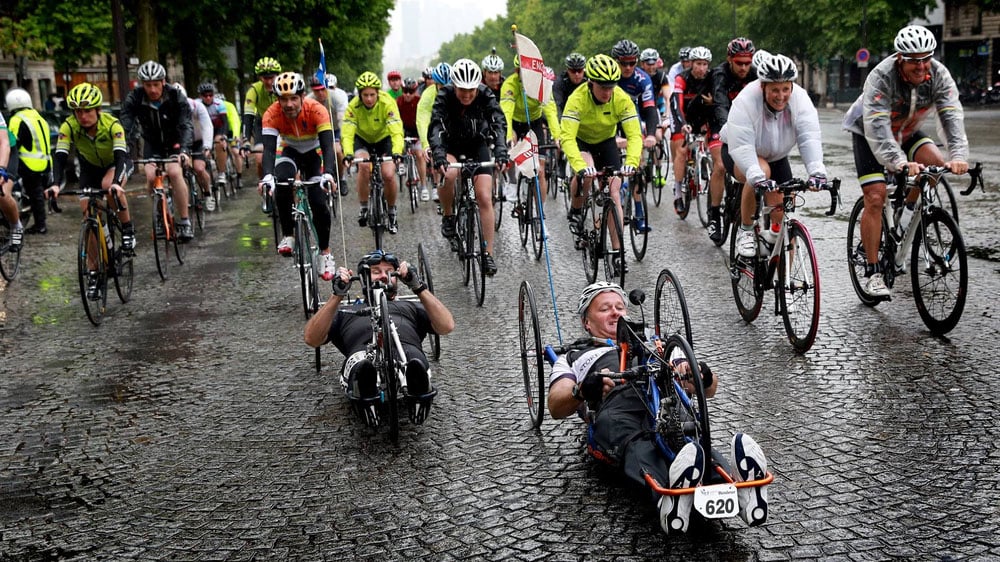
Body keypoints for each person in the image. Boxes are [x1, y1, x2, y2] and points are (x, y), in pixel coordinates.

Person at [547, 282, 768, 534]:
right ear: (587, 322)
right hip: (617, 408)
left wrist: (701, 376)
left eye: (620, 307)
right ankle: (670, 496)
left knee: (693, 440)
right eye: (605, 309)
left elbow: (709, 389)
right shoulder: (575, 356)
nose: (616, 313)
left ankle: (740, 491)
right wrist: (583, 389)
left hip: (666, 400)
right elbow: (556, 403)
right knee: (638, 442)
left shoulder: (658, 346)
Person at [842, 24, 969, 298]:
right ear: (900, 58)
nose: (922, 66)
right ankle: (874, 272)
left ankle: (907, 213)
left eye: (927, 58)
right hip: (868, 132)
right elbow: (877, 129)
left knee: (934, 167)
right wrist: (899, 162)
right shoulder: (881, 77)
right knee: (875, 197)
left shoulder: (938, 74)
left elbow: (951, 117)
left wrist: (957, 156)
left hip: (907, 130)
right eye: (915, 61)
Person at [304, 249, 455, 427]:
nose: (383, 276)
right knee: (362, 364)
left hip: (405, 351)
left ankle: (419, 392)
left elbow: (446, 326)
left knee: (413, 359)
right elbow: (312, 339)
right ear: (362, 278)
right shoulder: (346, 312)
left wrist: (419, 287)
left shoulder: (408, 306)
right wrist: (337, 296)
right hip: (363, 352)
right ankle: (364, 393)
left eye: (389, 272)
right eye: (376, 272)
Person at [720, 54, 828, 259]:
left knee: (784, 211)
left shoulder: (800, 99)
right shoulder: (746, 100)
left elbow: (808, 137)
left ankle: (786, 284)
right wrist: (755, 175)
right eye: (774, 90)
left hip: (777, 156)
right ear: (763, 87)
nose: (781, 96)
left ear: (792, 87)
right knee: (760, 171)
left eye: (785, 89)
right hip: (739, 151)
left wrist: (816, 170)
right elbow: (742, 146)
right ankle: (745, 229)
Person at [46, 83, 135, 298]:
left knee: (109, 188)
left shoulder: (112, 125)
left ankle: (127, 229)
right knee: (88, 214)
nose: (82, 116)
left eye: (87, 111)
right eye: (78, 112)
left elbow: (121, 156)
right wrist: (55, 184)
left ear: (97, 110)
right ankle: (94, 271)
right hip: (89, 168)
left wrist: (116, 182)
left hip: (116, 164)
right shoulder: (69, 126)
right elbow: (59, 157)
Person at [560, 54, 641, 276]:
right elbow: (566, 137)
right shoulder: (577, 99)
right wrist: (579, 165)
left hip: (606, 141)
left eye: (611, 87)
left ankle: (617, 252)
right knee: (586, 174)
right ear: (590, 83)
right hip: (581, 141)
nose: (607, 92)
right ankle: (576, 209)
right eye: (602, 87)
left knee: (614, 191)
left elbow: (634, 136)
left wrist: (631, 162)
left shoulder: (621, 98)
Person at [428, 58, 509, 276]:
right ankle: (448, 215)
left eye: (471, 91)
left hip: (477, 144)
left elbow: (498, 122)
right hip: (451, 145)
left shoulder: (485, 94)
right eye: (462, 90)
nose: (466, 95)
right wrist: (438, 154)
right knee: (451, 172)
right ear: (454, 86)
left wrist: (501, 150)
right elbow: (436, 126)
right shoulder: (444, 96)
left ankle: (488, 255)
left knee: (483, 196)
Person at [257, 72, 338, 280]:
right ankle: (289, 235)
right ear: (277, 100)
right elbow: (267, 150)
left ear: (303, 96)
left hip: (313, 152)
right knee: (282, 182)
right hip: (290, 150)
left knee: (318, 202)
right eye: (283, 99)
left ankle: (325, 253)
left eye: (293, 98)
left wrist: (328, 174)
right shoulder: (271, 114)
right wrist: (267, 176)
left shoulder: (317, 110)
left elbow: (328, 147)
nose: (289, 104)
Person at [119, 60, 195, 241]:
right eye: (147, 85)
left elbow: (186, 125)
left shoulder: (176, 96)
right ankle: (159, 214)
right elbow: (126, 126)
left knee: (175, 172)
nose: (152, 89)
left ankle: (184, 221)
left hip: (174, 142)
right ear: (141, 85)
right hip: (152, 144)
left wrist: (184, 150)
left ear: (163, 82)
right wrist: (124, 149)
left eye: (156, 84)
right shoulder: (135, 98)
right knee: (151, 176)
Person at [706, 37, 757, 244]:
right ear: (729, 59)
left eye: (748, 62)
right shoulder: (720, 74)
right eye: (739, 63)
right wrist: (730, 129)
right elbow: (719, 103)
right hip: (721, 123)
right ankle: (714, 214)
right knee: (719, 165)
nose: (744, 67)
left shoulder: (755, 74)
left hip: (746, 126)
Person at [342, 71, 404, 234]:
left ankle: (391, 211)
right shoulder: (353, 106)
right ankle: (363, 207)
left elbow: (396, 130)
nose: (369, 99)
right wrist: (348, 153)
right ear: (360, 95)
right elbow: (347, 133)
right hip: (362, 139)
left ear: (378, 93)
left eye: (372, 95)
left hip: (384, 139)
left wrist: (397, 152)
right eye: (365, 95)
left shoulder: (387, 102)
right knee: (363, 166)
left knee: (389, 174)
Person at [500, 53, 561, 200]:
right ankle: (513, 182)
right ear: (517, 71)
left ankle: (540, 215)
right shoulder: (510, 84)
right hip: (514, 122)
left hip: (534, 122)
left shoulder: (542, 84)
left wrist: (558, 136)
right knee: (511, 143)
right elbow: (506, 113)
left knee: (539, 171)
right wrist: (508, 137)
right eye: (523, 71)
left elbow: (551, 111)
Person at [668, 46, 716, 216]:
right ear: (691, 64)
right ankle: (678, 192)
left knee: (716, 142)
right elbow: (676, 104)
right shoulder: (682, 78)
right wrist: (682, 123)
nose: (701, 68)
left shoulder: (712, 78)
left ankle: (705, 165)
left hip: (702, 118)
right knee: (681, 150)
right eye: (698, 64)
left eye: (704, 64)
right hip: (683, 117)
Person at [5, 88, 52, 235]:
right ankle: (39, 222)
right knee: (36, 194)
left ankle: (40, 225)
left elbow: (11, 143)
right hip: (44, 162)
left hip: (28, 162)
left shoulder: (17, 119)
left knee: (33, 193)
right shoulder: (38, 116)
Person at [177, 82, 216, 213]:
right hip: (181, 143)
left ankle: (207, 193)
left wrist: (207, 146)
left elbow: (207, 126)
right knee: (178, 171)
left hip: (198, 141)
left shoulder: (196, 106)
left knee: (199, 168)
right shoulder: (169, 108)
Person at [416, 63, 451, 203]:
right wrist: (426, 144)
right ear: (436, 84)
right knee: (437, 153)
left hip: (453, 129)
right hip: (436, 128)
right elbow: (423, 120)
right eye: (441, 86)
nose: (445, 89)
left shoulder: (458, 90)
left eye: (448, 85)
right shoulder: (428, 95)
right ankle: (437, 186)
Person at [242, 57, 282, 181]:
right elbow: (248, 117)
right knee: (260, 159)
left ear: (277, 76)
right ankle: (265, 187)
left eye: (272, 78)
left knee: (282, 157)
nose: (269, 82)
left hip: (282, 122)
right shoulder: (254, 90)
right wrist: (246, 141)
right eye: (265, 78)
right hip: (263, 124)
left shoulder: (283, 86)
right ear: (260, 78)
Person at [395, 77, 429, 201]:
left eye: (411, 92)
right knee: (399, 146)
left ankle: (424, 186)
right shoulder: (397, 102)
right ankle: (402, 164)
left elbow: (424, 119)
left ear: (415, 91)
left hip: (417, 130)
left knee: (419, 154)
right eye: (405, 91)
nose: (408, 94)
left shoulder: (420, 101)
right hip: (403, 130)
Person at [197, 82, 231, 200]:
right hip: (203, 130)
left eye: (210, 95)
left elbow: (225, 122)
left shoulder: (219, 104)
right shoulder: (197, 104)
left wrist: (224, 136)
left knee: (219, 142)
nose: (208, 98)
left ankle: (221, 172)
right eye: (205, 95)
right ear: (200, 96)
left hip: (217, 129)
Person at [0, 111, 21, 251]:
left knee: (1, 193)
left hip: (5, 151)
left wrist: (1, 169)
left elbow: (4, 143)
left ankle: (16, 226)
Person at [553, 53, 587, 117]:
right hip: (566, 114)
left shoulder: (590, 81)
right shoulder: (560, 82)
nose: (577, 74)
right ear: (568, 70)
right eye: (573, 71)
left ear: (583, 70)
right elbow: (557, 105)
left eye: (579, 71)